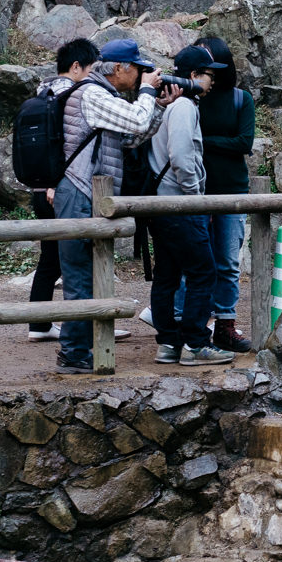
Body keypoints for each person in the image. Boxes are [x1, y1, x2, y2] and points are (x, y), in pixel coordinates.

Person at [53, 39, 171, 375]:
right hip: (78, 192)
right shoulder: (92, 94)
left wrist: (159, 105)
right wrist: (148, 93)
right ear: (119, 68)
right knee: (79, 277)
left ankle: (82, 350)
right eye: (137, 70)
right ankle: (74, 353)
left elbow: (132, 137)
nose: (140, 76)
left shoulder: (104, 95)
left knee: (89, 276)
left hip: (87, 194)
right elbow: (134, 122)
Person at [148, 46, 234, 366]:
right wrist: (195, 197)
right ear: (194, 76)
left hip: (160, 205)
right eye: (209, 75)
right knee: (203, 273)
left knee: (167, 275)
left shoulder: (169, 106)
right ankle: (196, 344)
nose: (212, 81)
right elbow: (183, 158)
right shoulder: (184, 106)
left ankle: (169, 343)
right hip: (180, 204)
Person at [27, 38, 98, 342]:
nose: (94, 76)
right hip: (58, 189)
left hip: (39, 187)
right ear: (75, 67)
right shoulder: (66, 95)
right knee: (71, 261)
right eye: (91, 69)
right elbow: (61, 147)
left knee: (51, 259)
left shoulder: (43, 92)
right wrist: (55, 185)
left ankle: (39, 324)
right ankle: (87, 326)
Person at [193, 34, 256, 351]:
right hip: (197, 189)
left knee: (229, 262)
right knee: (200, 260)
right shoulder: (192, 99)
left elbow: (244, 143)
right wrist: (220, 142)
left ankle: (226, 325)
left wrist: (205, 141)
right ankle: (195, 326)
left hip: (232, 189)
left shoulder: (240, 99)